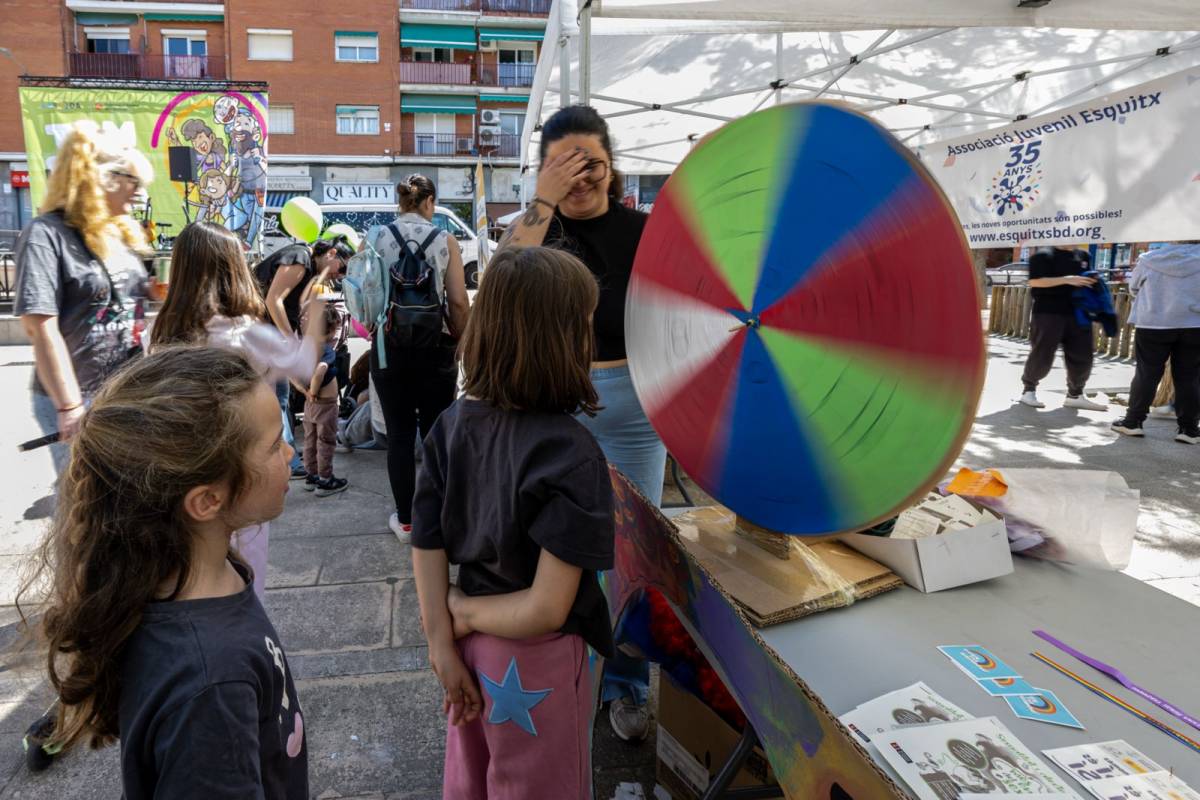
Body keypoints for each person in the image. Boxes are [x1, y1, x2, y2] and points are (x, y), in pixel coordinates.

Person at [18, 347, 308, 797]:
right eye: (273, 445)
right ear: (207, 501)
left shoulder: (191, 573)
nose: (289, 450)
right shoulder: (211, 683)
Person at [412, 247, 614, 800]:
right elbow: (547, 606)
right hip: (538, 662)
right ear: (563, 340)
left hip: (468, 652)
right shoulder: (573, 454)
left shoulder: (450, 428)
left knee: (470, 779)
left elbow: (425, 543)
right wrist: (463, 613)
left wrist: (442, 640)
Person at [498, 105, 664, 742]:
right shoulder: (537, 231)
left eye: (591, 161)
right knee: (551, 550)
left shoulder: (647, 231)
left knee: (632, 559)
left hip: (635, 412)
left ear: (612, 165)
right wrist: (541, 200)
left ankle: (624, 685)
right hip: (554, 407)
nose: (581, 175)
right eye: (563, 164)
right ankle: (564, 669)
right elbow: (506, 285)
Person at [148, 221, 323, 596]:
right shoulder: (244, 333)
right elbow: (304, 363)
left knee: (190, 560)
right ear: (233, 269)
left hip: (182, 470)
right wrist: (316, 313)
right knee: (248, 559)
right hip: (243, 468)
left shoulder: (163, 333)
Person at [14, 122, 154, 476]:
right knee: (84, 505)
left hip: (125, 393)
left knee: (129, 495)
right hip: (78, 396)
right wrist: (69, 405)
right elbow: (40, 326)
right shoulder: (45, 235)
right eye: (132, 181)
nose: (138, 192)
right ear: (102, 179)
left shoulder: (118, 234)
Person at [369, 174, 470, 541]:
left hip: (388, 348)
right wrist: (464, 342)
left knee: (398, 435)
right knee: (435, 433)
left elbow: (366, 297)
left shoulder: (377, 237)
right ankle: (439, 513)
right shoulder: (446, 240)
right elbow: (458, 302)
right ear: (430, 202)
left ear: (400, 202)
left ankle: (407, 520)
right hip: (434, 350)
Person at [256, 236, 354, 478]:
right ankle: (287, 460)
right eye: (342, 268)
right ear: (331, 253)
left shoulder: (308, 267)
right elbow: (273, 300)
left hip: (269, 335)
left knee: (280, 396)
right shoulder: (300, 256)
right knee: (276, 397)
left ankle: (286, 453)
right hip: (265, 335)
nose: (340, 275)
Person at [1111, 242, 1200, 444]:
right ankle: (1189, 429)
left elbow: (1133, 287)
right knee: (1190, 376)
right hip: (1194, 323)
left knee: (1147, 373)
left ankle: (1133, 422)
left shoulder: (1149, 259)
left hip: (1153, 323)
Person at [1017, 246, 1108, 411]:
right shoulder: (1042, 255)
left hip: (1079, 313)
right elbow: (1035, 281)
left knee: (1083, 354)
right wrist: (1067, 279)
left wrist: (1092, 282)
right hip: (1048, 312)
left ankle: (1075, 395)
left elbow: (1085, 279)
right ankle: (1028, 390)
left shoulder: (1083, 255)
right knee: (1042, 353)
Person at [301, 302, 349, 494]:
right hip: (325, 405)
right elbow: (320, 371)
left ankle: (310, 475)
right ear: (329, 329)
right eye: (336, 328)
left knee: (309, 440)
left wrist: (306, 392)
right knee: (325, 441)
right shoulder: (326, 349)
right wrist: (313, 389)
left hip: (309, 405)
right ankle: (325, 479)